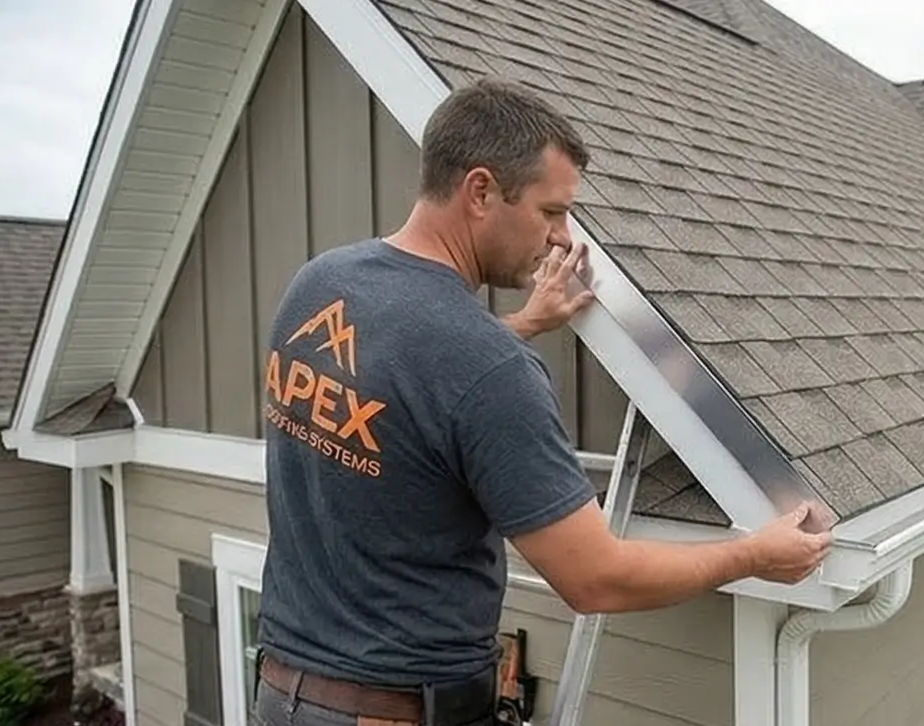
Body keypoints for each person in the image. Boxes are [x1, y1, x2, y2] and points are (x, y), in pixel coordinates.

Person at [251, 77, 833, 726]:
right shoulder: (488, 369)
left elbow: (407, 385)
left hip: (282, 695)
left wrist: (523, 324)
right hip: (394, 710)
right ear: (480, 191)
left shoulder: (320, 283)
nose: (561, 237)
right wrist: (755, 555)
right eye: (550, 211)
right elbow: (595, 578)